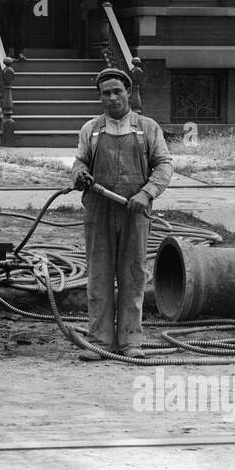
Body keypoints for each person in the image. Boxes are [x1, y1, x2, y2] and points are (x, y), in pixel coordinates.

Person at [72, 68, 174, 358]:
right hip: (99, 211)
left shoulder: (147, 128)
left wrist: (147, 193)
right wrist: (79, 175)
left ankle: (130, 342)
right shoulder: (91, 130)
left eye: (118, 91)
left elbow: (164, 165)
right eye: (106, 93)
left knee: (132, 275)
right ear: (100, 97)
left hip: (134, 212)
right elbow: (79, 162)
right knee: (99, 275)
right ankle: (100, 342)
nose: (113, 97)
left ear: (128, 92)